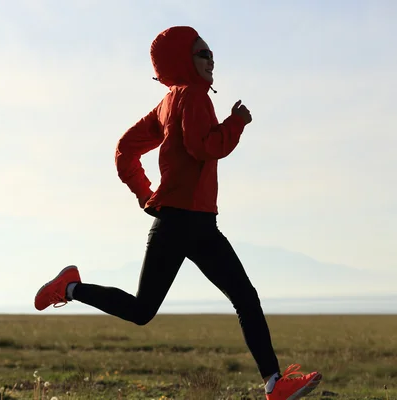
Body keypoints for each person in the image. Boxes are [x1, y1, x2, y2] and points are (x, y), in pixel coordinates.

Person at [34, 26, 322, 400]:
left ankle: (274, 384)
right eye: (202, 54)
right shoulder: (193, 95)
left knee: (242, 297)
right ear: (182, 61)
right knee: (151, 309)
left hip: (197, 222)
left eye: (211, 53)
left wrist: (146, 194)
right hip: (179, 222)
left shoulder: (171, 101)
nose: (211, 60)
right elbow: (204, 147)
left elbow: (125, 149)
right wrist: (236, 123)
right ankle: (69, 287)